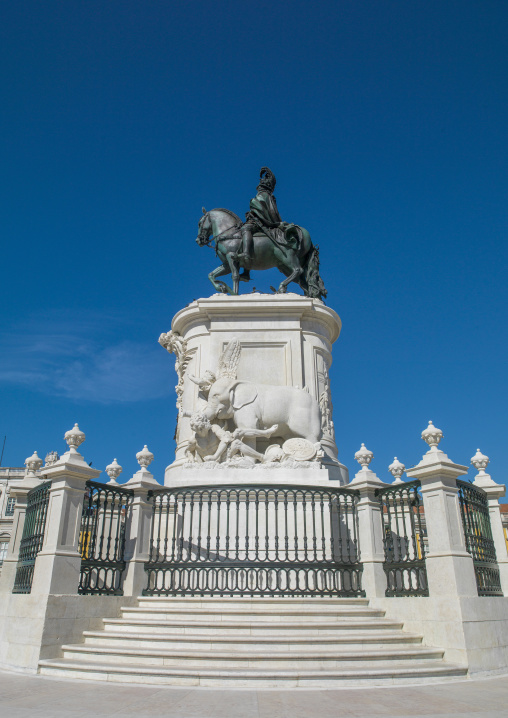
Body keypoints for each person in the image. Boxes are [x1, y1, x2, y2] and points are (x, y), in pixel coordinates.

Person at [236, 167, 287, 263]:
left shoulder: (263, 195)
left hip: (260, 222)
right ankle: (246, 271)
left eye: (261, 183)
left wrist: (253, 211)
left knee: (245, 228)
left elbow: (261, 208)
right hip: (257, 220)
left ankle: (246, 253)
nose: (259, 184)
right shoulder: (265, 195)